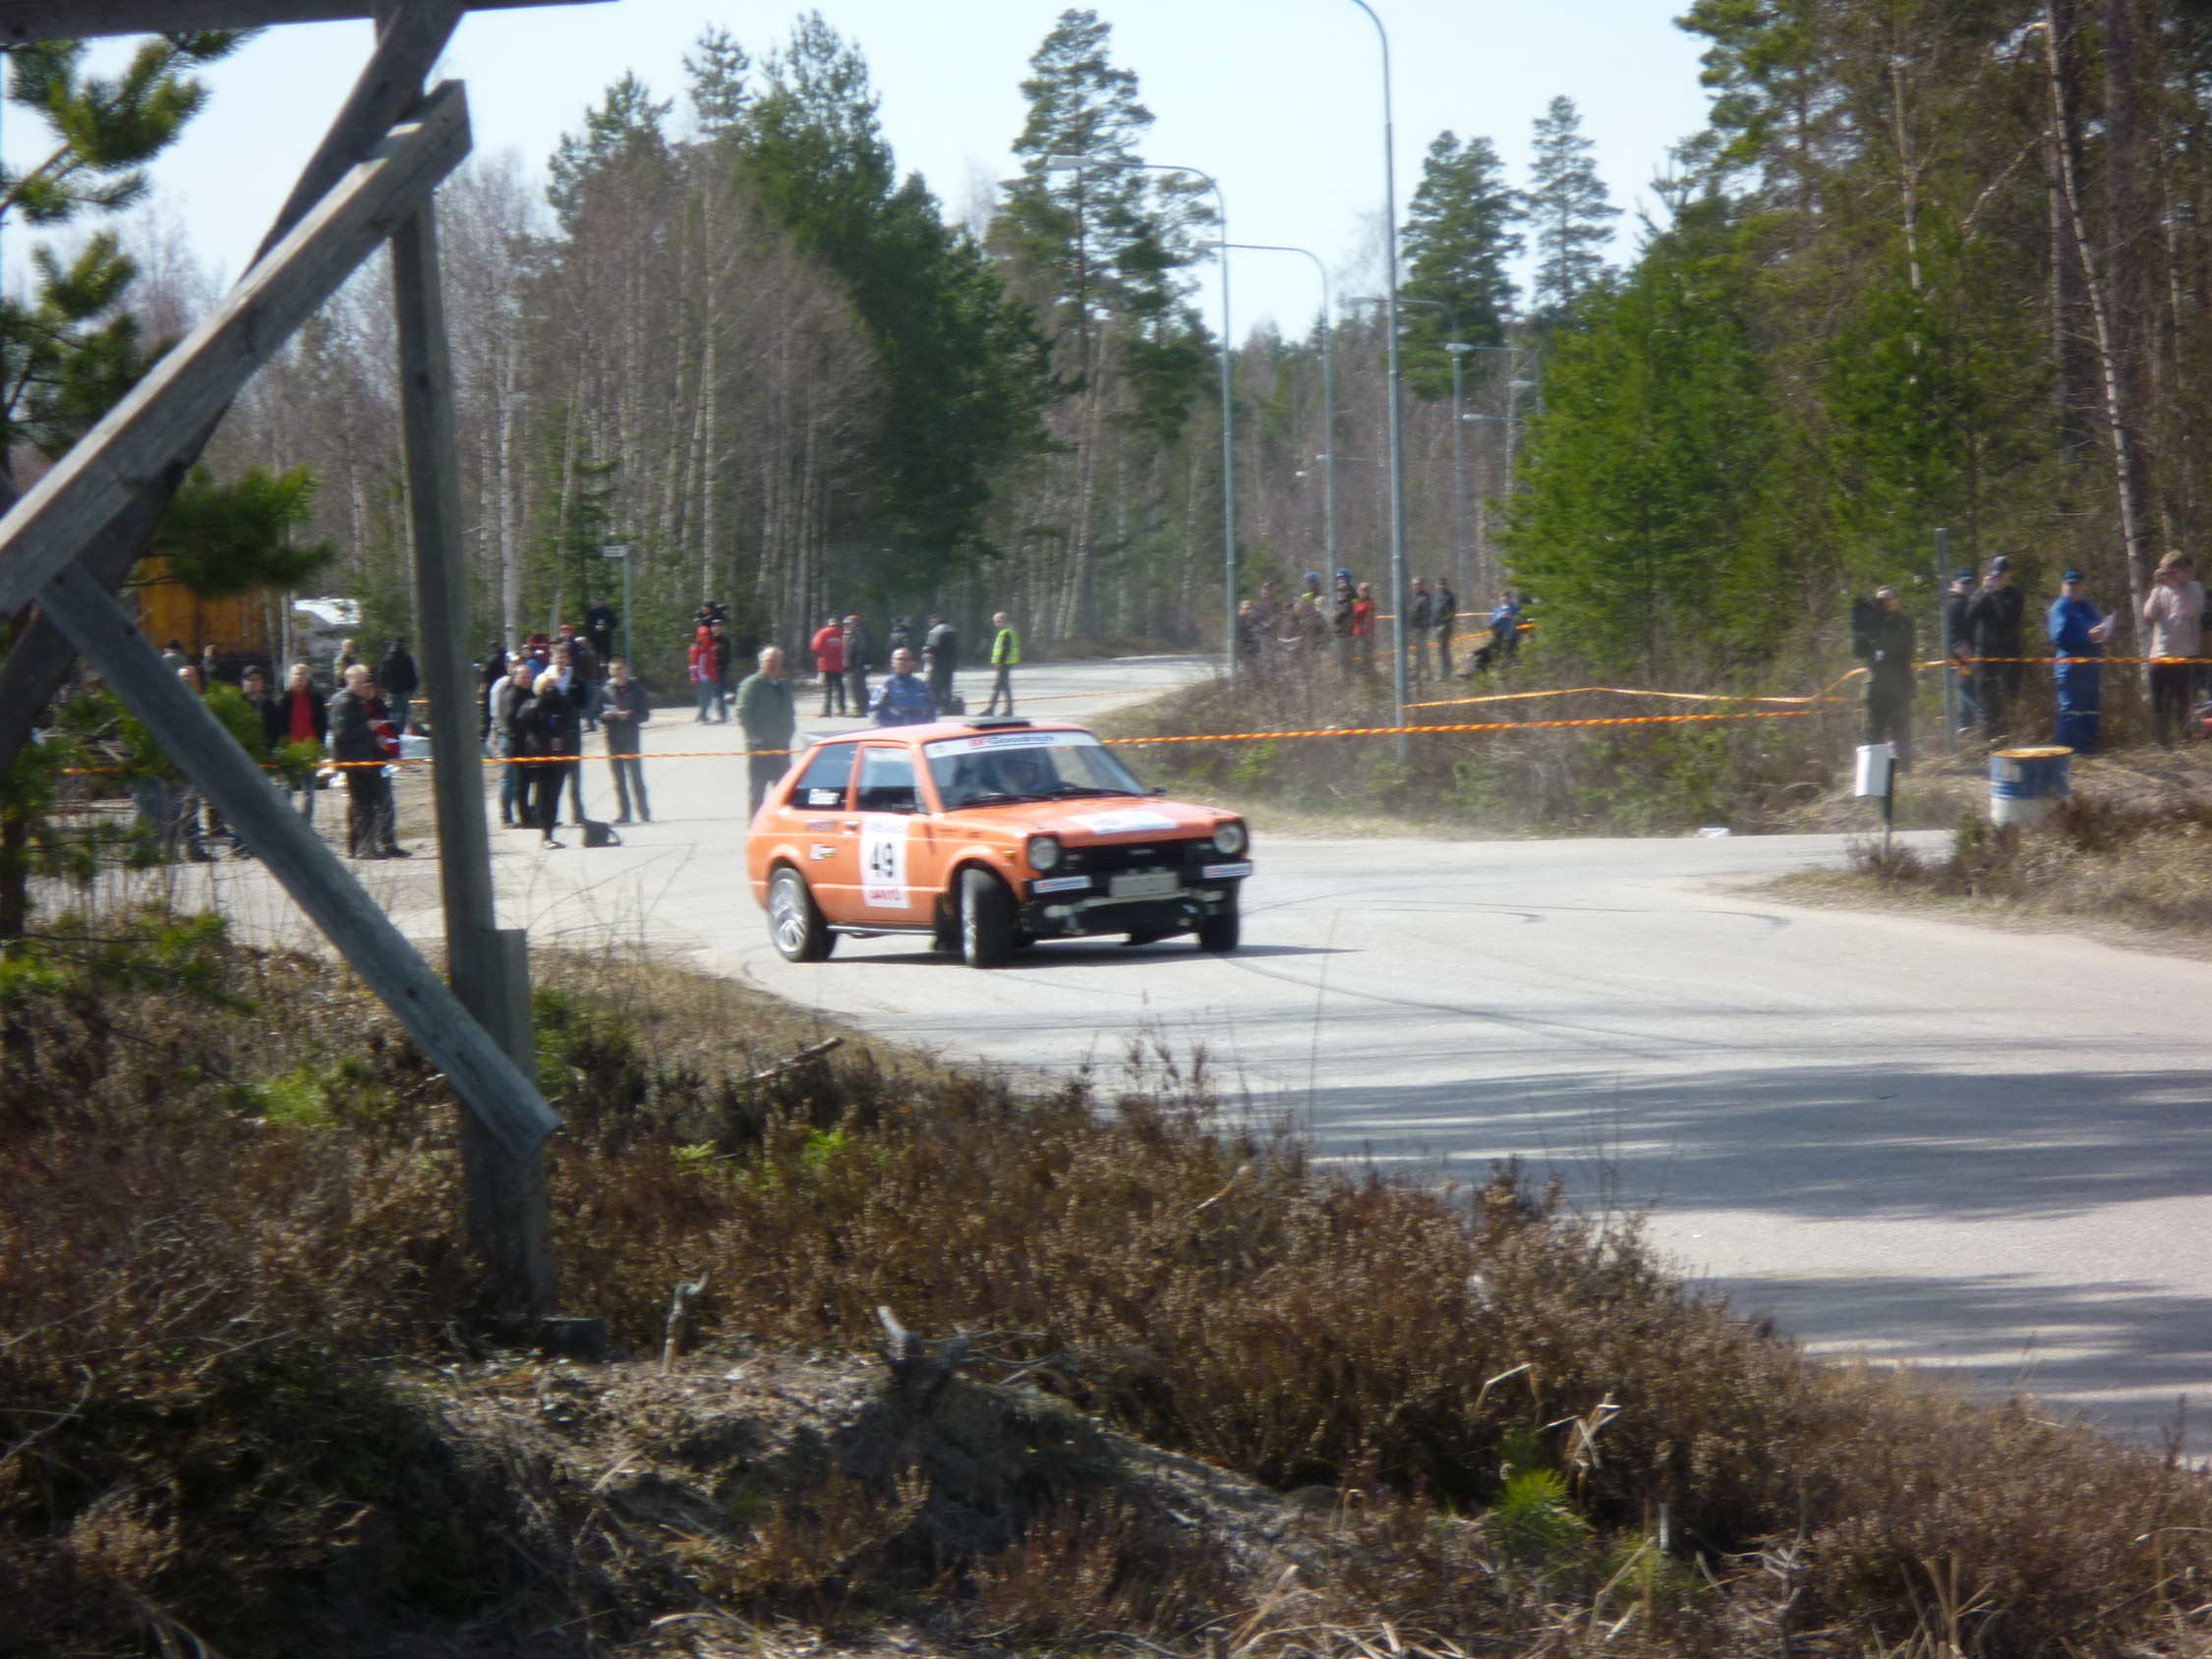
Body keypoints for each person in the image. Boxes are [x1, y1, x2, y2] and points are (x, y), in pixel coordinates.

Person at [328, 662, 408, 859]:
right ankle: (363, 847)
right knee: (364, 805)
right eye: (358, 681)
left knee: (374, 803)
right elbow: (341, 733)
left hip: (367, 759)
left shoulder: (356, 702)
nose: (363, 685)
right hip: (355, 762)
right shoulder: (345, 702)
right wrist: (369, 727)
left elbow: (358, 730)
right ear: (348, 681)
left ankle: (374, 845)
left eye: (364, 681)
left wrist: (375, 740)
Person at [2142, 550, 2205, 746]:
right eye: (2166, 572)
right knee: (2161, 703)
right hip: (2160, 655)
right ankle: (2162, 743)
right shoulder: (2160, 589)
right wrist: (2158, 588)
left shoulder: (2194, 588)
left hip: (2185, 655)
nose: (2169, 576)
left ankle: (2185, 740)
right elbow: (2148, 614)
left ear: (2182, 572)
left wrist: (2175, 588)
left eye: (2173, 572)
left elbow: (2193, 612)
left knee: (2183, 702)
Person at [2049, 568, 2115, 753]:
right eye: (2070, 584)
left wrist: (2103, 635)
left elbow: (2096, 628)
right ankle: (2062, 753)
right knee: (2070, 712)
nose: (2074, 588)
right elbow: (2059, 638)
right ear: (2063, 585)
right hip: (2071, 669)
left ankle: (2085, 750)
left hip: (2091, 668)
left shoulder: (2087, 605)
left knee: (2090, 711)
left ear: (2082, 586)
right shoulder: (2060, 608)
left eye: (2077, 584)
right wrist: (2087, 637)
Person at [1853, 585, 1917, 770]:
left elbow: (1899, 647)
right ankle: (1875, 776)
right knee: (1873, 735)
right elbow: (1859, 652)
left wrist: (1876, 626)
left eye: (1889, 599)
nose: (1886, 603)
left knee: (1902, 734)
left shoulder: (1905, 622)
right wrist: (1859, 627)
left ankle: (1905, 773)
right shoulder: (1870, 623)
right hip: (1875, 688)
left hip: (1899, 687)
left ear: (1897, 600)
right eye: (1880, 600)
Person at [514, 669, 578, 848]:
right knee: (543, 795)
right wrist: (541, 703)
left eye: (554, 686)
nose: (551, 690)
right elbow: (522, 721)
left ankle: (550, 830)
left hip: (559, 756)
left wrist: (560, 701)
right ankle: (545, 834)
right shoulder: (531, 704)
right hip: (539, 757)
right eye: (548, 687)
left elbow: (571, 721)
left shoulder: (561, 704)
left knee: (554, 795)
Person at [1965, 555, 2025, 740]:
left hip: (2008, 654)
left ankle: (2009, 740)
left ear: (2007, 575)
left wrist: (1995, 596)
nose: (1997, 579)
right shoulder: (1982, 593)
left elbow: (2006, 618)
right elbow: (1970, 614)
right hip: (1985, 655)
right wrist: (1985, 593)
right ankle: (1987, 743)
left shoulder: (2015, 595)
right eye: (1994, 575)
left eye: (2000, 575)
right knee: (1986, 702)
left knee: (2009, 699)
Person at [735, 645, 796, 815]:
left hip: (781, 745)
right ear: (761, 663)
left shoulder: (783, 686)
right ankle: (755, 826)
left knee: (783, 790)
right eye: (770, 661)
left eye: (777, 661)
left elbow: (790, 712)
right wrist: (752, 736)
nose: (774, 665)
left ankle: (780, 827)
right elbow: (742, 711)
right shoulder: (752, 685)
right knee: (757, 789)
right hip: (760, 747)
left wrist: (789, 732)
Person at [264, 661, 329, 821]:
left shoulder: (316, 698)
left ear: (308, 677)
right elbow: (278, 726)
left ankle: (306, 822)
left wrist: (319, 746)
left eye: (302, 674)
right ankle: (284, 822)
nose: (299, 677)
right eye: (296, 674)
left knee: (309, 792)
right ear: (291, 677)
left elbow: (323, 724)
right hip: (290, 750)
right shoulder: (284, 699)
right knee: (286, 789)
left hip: (310, 750)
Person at [601, 658, 653, 824]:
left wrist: (631, 715)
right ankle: (624, 813)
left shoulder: (636, 689)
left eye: (621, 669)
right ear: (610, 672)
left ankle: (644, 813)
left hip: (631, 736)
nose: (618, 672)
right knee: (618, 779)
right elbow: (597, 713)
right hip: (612, 737)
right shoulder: (605, 690)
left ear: (626, 670)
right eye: (614, 669)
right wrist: (606, 716)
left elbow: (645, 714)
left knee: (636, 777)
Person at [547, 644, 594, 825]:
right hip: (552, 733)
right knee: (553, 777)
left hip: (572, 731)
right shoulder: (545, 678)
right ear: (552, 659)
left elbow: (583, 701)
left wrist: (569, 703)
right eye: (557, 657)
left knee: (575, 775)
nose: (561, 661)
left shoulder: (575, 678)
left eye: (563, 657)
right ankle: (550, 816)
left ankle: (578, 814)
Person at [491, 658, 536, 828]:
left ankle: (529, 814)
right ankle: (510, 817)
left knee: (525, 781)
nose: (526, 680)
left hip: (527, 743)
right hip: (513, 743)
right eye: (523, 677)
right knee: (514, 781)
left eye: (529, 677)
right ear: (515, 677)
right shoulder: (511, 695)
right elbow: (511, 720)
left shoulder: (530, 693)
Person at [869, 646, 937, 727]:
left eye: (907, 659)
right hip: (894, 735)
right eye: (900, 659)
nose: (904, 662)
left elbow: (932, 712)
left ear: (912, 662)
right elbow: (874, 718)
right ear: (892, 662)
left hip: (918, 733)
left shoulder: (921, 686)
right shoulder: (884, 688)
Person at [377, 637, 420, 733]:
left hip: (391, 691)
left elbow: (382, 676)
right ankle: (398, 733)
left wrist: (384, 687)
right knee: (402, 713)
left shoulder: (387, 660)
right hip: (404, 691)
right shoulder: (407, 659)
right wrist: (412, 688)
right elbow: (412, 675)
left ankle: (391, 731)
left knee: (392, 711)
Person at [984, 611, 1020, 715]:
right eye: (996, 622)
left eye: (999, 621)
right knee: (1004, 686)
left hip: (1004, 663)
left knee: (998, 686)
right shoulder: (1009, 631)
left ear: (1005, 621)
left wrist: (1000, 662)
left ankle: (991, 709)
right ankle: (1007, 709)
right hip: (1007, 663)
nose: (997, 624)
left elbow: (1005, 649)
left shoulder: (1006, 632)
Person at [811, 614, 847, 715]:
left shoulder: (822, 633)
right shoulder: (842, 633)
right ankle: (841, 708)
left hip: (826, 664)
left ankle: (826, 710)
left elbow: (816, 647)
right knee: (840, 686)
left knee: (828, 688)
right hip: (839, 664)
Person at [689, 622, 726, 722]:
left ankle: (703, 714)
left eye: (708, 635)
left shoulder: (711, 647)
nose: (707, 637)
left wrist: (715, 677)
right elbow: (693, 663)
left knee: (709, 696)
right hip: (701, 677)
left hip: (709, 676)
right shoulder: (696, 648)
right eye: (705, 635)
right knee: (703, 696)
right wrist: (694, 676)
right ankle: (702, 715)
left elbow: (713, 663)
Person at [924, 614, 959, 709]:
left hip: (938, 663)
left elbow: (931, 647)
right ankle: (947, 706)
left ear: (938, 621)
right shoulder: (952, 630)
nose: (930, 624)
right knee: (947, 685)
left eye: (932, 621)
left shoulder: (935, 631)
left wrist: (927, 651)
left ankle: (937, 706)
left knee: (935, 686)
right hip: (950, 664)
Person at [844, 613, 872, 715]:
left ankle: (860, 709)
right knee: (856, 686)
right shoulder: (850, 633)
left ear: (856, 623)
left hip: (857, 665)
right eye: (845, 623)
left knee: (856, 687)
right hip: (851, 665)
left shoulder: (859, 633)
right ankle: (864, 707)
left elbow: (862, 649)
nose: (846, 625)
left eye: (849, 623)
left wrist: (859, 662)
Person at [1406, 579, 1432, 682]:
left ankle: (1426, 673)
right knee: (1417, 651)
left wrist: (1419, 627)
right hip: (1414, 629)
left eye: (1418, 584)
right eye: (1414, 585)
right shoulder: (1414, 598)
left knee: (1422, 651)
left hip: (1422, 629)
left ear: (1422, 585)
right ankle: (1417, 673)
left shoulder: (1425, 598)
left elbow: (1426, 615)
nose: (1416, 586)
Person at [1331, 574, 1357, 676]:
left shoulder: (1348, 603)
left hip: (1346, 635)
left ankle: (1347, 679)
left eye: (1343, 591)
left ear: (1347, 592)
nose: (1340, 593)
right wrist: (1336, 615)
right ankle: (1344, 678)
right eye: (1339, 591)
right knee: (1340, 659)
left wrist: (1336, 615)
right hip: (1339, 634)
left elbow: (1339, 617)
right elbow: (1334, 617)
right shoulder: (1339, 603)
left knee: (1346, 660)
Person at [1433, 577, 1458, 678]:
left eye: (1442, 584)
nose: (1441, 586)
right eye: (1439, 584)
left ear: (1445, 585)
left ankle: (1446, 673)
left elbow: (1451, 613)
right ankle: (1446, 671)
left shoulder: (1449, 597)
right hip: (1437, 626)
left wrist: (1444, 624)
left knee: (1444, 649)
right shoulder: (1438, 597)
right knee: (1442, 650)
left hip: (1444, 627)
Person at [584, 595, 618, 665]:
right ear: (596, 602)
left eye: (601, 600)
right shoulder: (592, 611)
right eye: (598, 600)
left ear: (604, 601)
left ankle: (609, 671)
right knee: (596, 656)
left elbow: (614, 623)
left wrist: (607, 627)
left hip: (606, 637)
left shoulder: (609, 611)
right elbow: (588, 624)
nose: (600, 602)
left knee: (608, 656)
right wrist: (595, 627)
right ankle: (596, 673)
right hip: (595, 637)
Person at [1352, 581, 1377, 674]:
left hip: (1365, 635)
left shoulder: (1370, 603)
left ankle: (1371, 677)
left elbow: (1364, 617)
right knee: (1359, 656)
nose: (1363, 592)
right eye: (1361, 590)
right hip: (1357, 633)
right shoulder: (1357, 602)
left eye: (1366, 590)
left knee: (1366, 657)